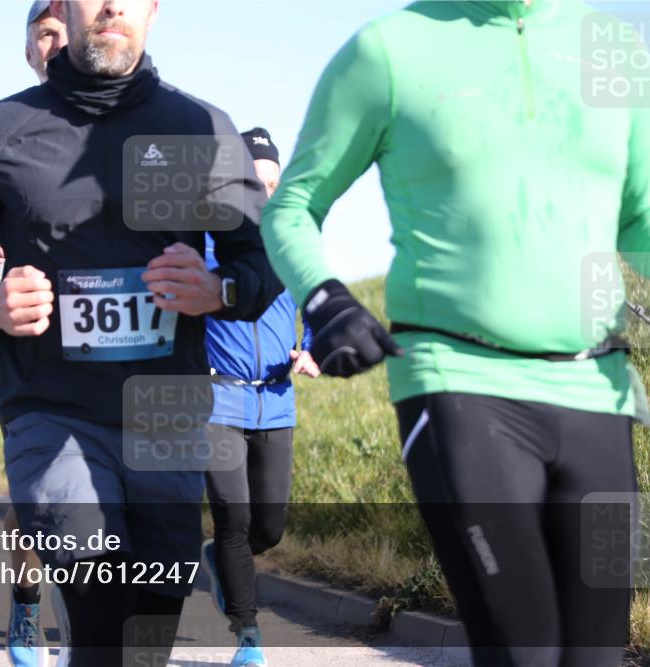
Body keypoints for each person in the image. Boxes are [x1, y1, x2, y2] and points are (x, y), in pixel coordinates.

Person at [261, 2, 649, 665]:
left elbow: (639, 220)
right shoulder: (388, 51)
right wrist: (327, 300)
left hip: (599, 393)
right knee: (523, 652)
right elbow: (293, 206)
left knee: (597, 656)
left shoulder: (614, 47)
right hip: (462, 386)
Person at [0, 0, 281, 662]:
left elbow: (263, 262)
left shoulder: (199, 127)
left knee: (147, 636)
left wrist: (219, 289)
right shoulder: (3, 129)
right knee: (100, 610)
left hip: (166, 418)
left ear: (154, 11)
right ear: (62, 8)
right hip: (55, 412)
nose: (111, 6)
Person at [199, 127, 319, 667]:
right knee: (235, 520)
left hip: (276, 399)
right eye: (255, 183)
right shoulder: (203, 240)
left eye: (274, 183)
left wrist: (311, 349)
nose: (266, 195)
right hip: (217, 400)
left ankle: (223, 565)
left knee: (268, 527)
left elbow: (318, 305)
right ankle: (247, 636)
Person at [0, 3, 69, 665]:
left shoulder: (139, 126)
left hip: (121, 370)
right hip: (32, 373)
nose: (56, 43)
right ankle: (24, 604)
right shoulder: (1, 138)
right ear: (28, 50)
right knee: (35, 510)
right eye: (43, 34)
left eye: (64, 29)